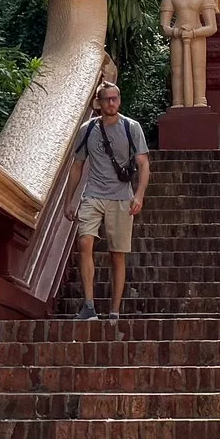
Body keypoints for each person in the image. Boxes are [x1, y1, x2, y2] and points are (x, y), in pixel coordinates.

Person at [71, 80, 149, 319]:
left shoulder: (131, 127)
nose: (112, 102)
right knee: (84, 242)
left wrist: (139, 195)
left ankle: (114, 310)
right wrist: (69, 200)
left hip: (121, 197)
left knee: (117, 253)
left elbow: (143, 164)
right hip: (93, 193)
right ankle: (89, 305)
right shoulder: (87, 129)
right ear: (99, 102)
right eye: (107, 99)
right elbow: (77, 166)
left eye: (115, 98)